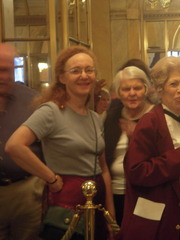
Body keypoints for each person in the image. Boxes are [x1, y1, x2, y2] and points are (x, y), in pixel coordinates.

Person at [5, 46, 115, 240]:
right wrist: (51, 178)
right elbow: (14, 146)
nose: (84, 75)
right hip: (66, 207)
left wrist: (110, 212)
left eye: (89, 70)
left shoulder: (95, 118)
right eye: (76, 71)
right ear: (62, 78)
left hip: (96, 204)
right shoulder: (51, 111)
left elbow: (103, 168)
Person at [117, 56, 180, 240]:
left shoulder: (179, 120)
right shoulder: (151, 121)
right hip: (165, 216)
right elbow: (136, 171)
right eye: (174, 84)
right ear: (160, 89)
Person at [0, 43, 44, 240]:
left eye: (9, 70)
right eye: (1, 70)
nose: (6, 77)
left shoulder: (32, 101)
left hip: (26, 194)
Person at [104, 66, 154, 226]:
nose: (132, 93)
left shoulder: (156, 116)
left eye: (137, 88)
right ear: (119, 93)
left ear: (145, 89)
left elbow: (164, 160)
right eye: (126, 89)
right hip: (116, 193)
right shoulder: (112, 117)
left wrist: (136, 138)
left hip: (146, 195)